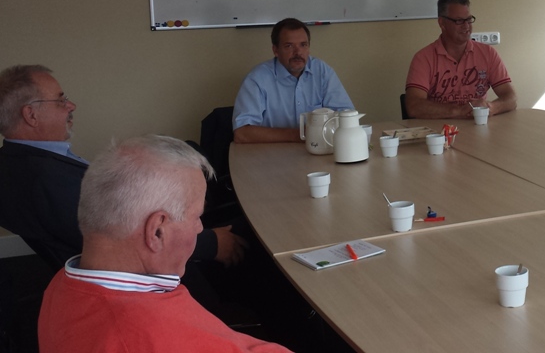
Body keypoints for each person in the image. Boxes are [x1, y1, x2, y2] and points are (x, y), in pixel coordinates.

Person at [37, 134, 292, 352]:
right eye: (197, 217)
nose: (200, 228)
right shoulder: (153, 335)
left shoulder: (59, 286)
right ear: (157, 231)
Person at [0, 65, 246, 271]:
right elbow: (124, 238)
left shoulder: (15, 161)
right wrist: (213, 244)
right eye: (60, 100)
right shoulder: (47, 180)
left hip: (147, 223)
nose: (71, 105)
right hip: (151, 267)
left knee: (186, 152)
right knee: (245, 228)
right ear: (31, 115)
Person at [233, 18, 354, 143]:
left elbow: (347, 116)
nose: (298, 52)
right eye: (289, 46)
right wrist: (299, 134)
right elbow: (242, 133)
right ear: (276, 50)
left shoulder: (322, 71)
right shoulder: (257, 79)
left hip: (318, 149)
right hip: (271, 153)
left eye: (303, 45)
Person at [405, 0, 517, 119]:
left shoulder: (488, 53)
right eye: (459, 21)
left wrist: (490, 107)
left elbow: (511, 98)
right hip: (439, 128)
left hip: (477, 125)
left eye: (469, 20)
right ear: (442, 23)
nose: (466, 26)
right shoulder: (423, 58)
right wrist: (459, 111)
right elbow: (414, 106)